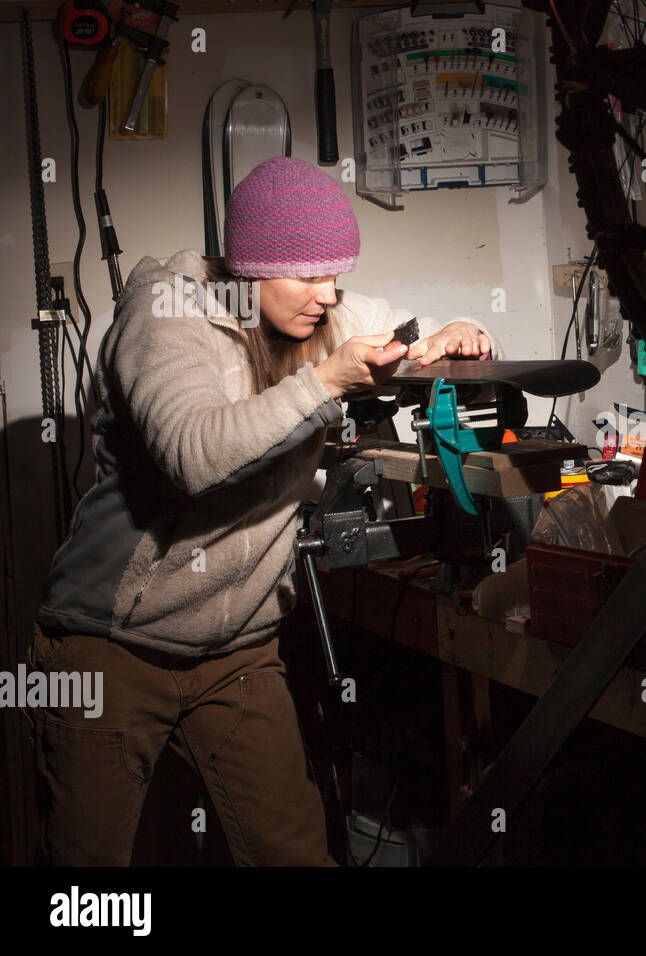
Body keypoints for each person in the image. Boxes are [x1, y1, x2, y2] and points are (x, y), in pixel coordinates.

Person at [25, 156, 501, 865]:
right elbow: (193, 454)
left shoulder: (322, 314)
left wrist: (455, 332)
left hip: (237, 653)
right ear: (250, 268)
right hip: (111, 646)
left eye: (337, 272)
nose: (330, 293)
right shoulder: (167, 317)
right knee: (90, 879)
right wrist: (326, 382)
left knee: (296, 856)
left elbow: (417, 335)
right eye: (310, 275)